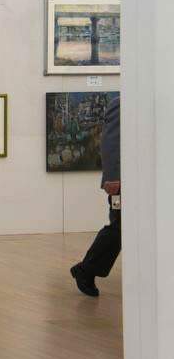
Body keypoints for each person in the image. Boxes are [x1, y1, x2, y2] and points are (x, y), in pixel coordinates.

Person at [70, 96, 120, 296]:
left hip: (152, 182)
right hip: (125, 183)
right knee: (120, 227)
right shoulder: (123, 103)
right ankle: (86, 270)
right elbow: (110, 143)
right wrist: (113, 177)